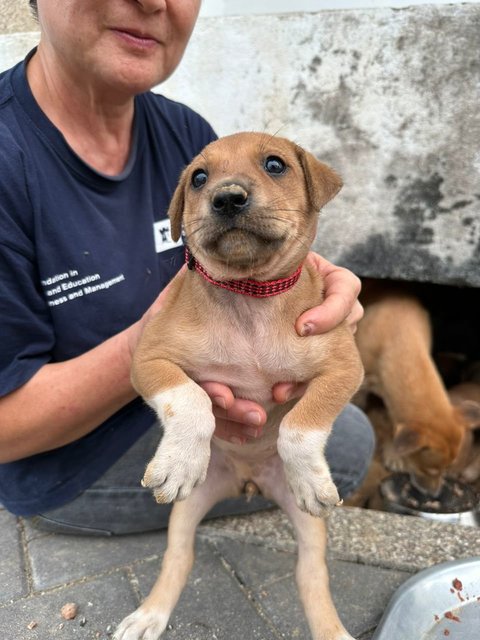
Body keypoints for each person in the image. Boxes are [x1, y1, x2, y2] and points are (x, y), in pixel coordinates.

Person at [0, 0, 374, 535]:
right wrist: (155, 349)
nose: (153, 2)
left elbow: (234, 253)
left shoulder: (184, 132)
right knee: (350, 449)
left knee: (340, 422)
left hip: (200, 382)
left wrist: (306, 279)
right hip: (67, 460)